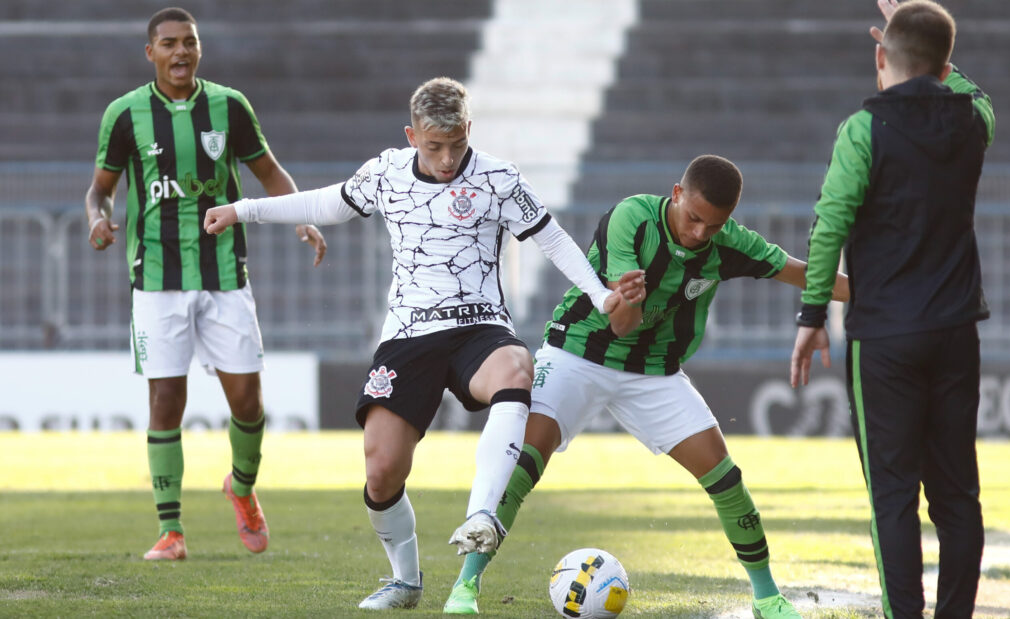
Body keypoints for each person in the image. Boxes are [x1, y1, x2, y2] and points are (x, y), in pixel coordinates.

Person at [203, 76, 644, 610]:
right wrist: (243, 209)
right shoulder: (386, 172)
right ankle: (405, 581)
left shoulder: (499, 178)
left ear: (469, 130)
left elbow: (550, 236)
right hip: (409, 334)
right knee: (381, 469)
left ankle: (482, 514)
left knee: (515, 367)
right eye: (435, 146)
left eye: (457, 144)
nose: (447, 157)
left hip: (479, 326)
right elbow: (327, 204)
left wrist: (601, 296)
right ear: (412, 135)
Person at [443, 154, 850, 617]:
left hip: (654, 371)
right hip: (579, 352)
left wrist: (884, 291)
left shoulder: (730, 245)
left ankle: (767, 597)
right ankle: (465, 587)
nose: (700, 233)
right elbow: (621, 325)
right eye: (694, 217)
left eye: (713, 226)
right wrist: (628, 300)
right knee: (523, 465)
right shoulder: (632, 218)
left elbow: (805, 274)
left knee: (726, 478)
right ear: (677, 194)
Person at [84, 7, 327, 562]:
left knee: (248, 402)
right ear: (151, 52)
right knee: (165, 399)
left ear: (199, 48)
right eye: (169, 43)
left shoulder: (229, 106)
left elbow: (269, 173)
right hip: (156, 279)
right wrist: (97, 218)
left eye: (189, 42)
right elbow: (99, 189)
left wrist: (302, 217)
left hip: (224, 275)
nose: (181, 52)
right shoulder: (124, 115)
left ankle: (241, 488)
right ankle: (171, 531)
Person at [789, 1, 992, 617]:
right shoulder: (975, 119)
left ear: (881, 56)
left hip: (885, 341)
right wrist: (934, 49)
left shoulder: (863, 129)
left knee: (894, 497)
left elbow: (829, 228)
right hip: (957, 332)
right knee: (958, 498)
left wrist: (811, 316)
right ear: (944, 63)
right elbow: (970, 89)